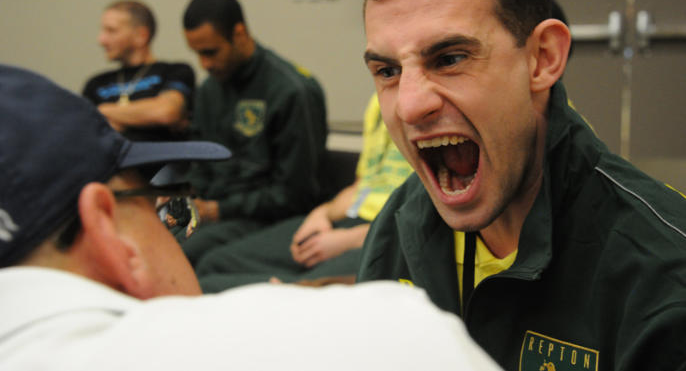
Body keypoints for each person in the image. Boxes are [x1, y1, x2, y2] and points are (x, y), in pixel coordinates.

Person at [0, 64, 502, 371]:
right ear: (108, 230)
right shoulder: (393, 332)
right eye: (154, 202)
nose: (412, 101)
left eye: (449, 60)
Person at [355, 0, 686, 370]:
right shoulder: (397, 227)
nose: (409, 107)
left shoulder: (663, 280)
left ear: (542, 59)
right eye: (388, 71)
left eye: (450, 59)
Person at [195, 93, 413, 291]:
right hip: (348, 219)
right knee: (212, 265)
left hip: (388, 235)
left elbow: (424, 218)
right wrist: (321, 214)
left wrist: (351, 239)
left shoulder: (420, 107)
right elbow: (364, 184)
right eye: (385, 72)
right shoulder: (378, 100)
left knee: (303, 292)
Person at [178, 0, 328, 263]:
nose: (204, 64)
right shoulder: (210, 90)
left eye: (210, 52)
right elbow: (200, 167)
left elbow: (296, 195)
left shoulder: (292, 91)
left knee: (181, 254)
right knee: (147, 238)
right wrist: (183, 197)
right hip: (216, 213)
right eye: (197, 54)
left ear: (239, 34)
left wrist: (218, 209)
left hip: (268, 219)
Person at [82, 0, 195, 142]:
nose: (101, 40)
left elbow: (166, 112)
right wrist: (144, 118)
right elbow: (85, 128)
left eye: (112, 31)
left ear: (141, 35)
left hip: (160, 155)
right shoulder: (96, 83)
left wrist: (103, 110)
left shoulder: (175, 71)